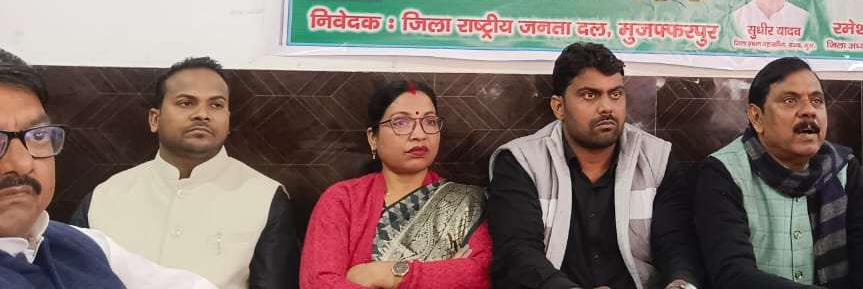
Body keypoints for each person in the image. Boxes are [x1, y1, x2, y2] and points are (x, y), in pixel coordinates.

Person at [68, 57, 298, 289]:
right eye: (186, 103)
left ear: (228, 120)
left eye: (216, 105)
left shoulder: (265, 197)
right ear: (155, 119)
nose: (202, 114)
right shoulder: (105, 196)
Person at [488, 42, 702, 289]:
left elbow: (678, 244)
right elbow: (518, 253)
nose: (607, 107)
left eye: (616, 94)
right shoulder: (521, 162)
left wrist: (680, 283)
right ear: (559, 107)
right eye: (590, 95)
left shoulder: (656, 158)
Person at [696, 57, 863, 289]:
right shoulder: (724, 172)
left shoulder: (843, 168)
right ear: (757, 117)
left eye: (817, 101)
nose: (808, 111)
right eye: (789, 100)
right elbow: (733, 275)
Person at [0, 49, 217, 289]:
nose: (22, 163)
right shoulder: (106, 197)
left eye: (38, 135)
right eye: (186, 103)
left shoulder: (86, 245)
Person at [300, 80, 491, 289]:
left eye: (430, 122)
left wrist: (388, 274)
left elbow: (483, 275)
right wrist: (442, 276)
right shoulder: (343, 200)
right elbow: (318, 283)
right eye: (401, 123)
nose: (419, 135)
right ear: (373, 138)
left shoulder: (467, 203)